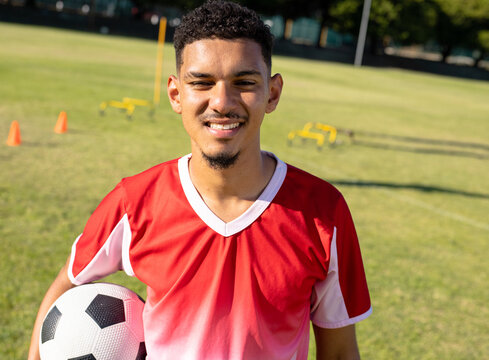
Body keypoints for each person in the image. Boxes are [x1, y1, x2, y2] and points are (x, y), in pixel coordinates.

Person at [29, 1, 372, 359]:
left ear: (272, 93)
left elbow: (339, 352)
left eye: (244, 82)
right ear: (176, 94)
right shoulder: (135, 202)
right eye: (202, 82)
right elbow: (65, 289)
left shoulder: (323, 212)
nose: (222, 102)